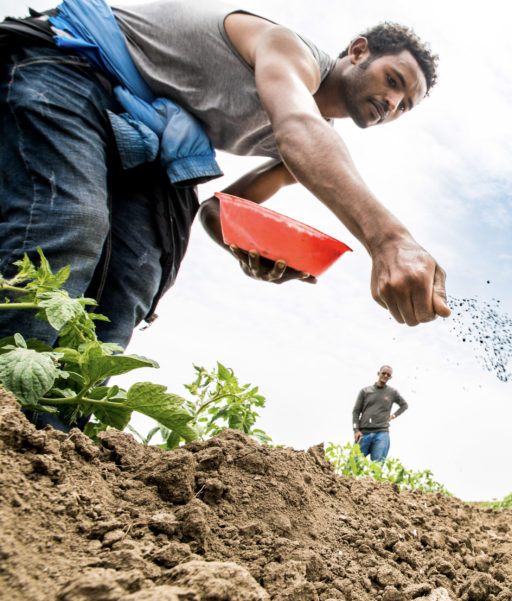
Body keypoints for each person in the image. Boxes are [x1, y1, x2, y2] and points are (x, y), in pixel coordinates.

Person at [0, 0, 449, 354]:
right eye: (393, 81)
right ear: (358, 51)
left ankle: (52, 432)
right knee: (68, 226)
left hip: (144, 134)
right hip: (76, 63)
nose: (392, 103)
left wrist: (251, 250)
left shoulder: (309, 143)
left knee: (134, 276)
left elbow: (220, 209)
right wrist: (389, 239)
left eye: (404, 105)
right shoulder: (289, 51)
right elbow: (297, 126)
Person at [352, 365, 406, 463]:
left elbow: (404, 405)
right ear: (378, 373)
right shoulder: (365, 391)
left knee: (377, 466)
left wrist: (393, 416)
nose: (385, 376)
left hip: (382, 433)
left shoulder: (392, 392)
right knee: (353, 465)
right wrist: (356, 430)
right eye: (383, 373)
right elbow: (356, 411)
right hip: (364, 433)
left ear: (390, 377)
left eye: (388, 375)